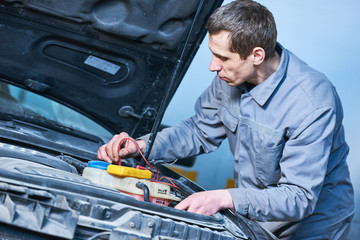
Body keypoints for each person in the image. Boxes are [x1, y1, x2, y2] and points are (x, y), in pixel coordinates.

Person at [97, 0, 354, 239]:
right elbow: (199, 130)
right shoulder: (231, 76)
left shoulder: (312, 104)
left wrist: (224, 198)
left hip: (312, 226)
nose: (212, 66)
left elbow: (299, 197)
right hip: (255, 214)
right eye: (213, 53)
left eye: (222, 58)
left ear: (257, 55)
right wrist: (142, 147)